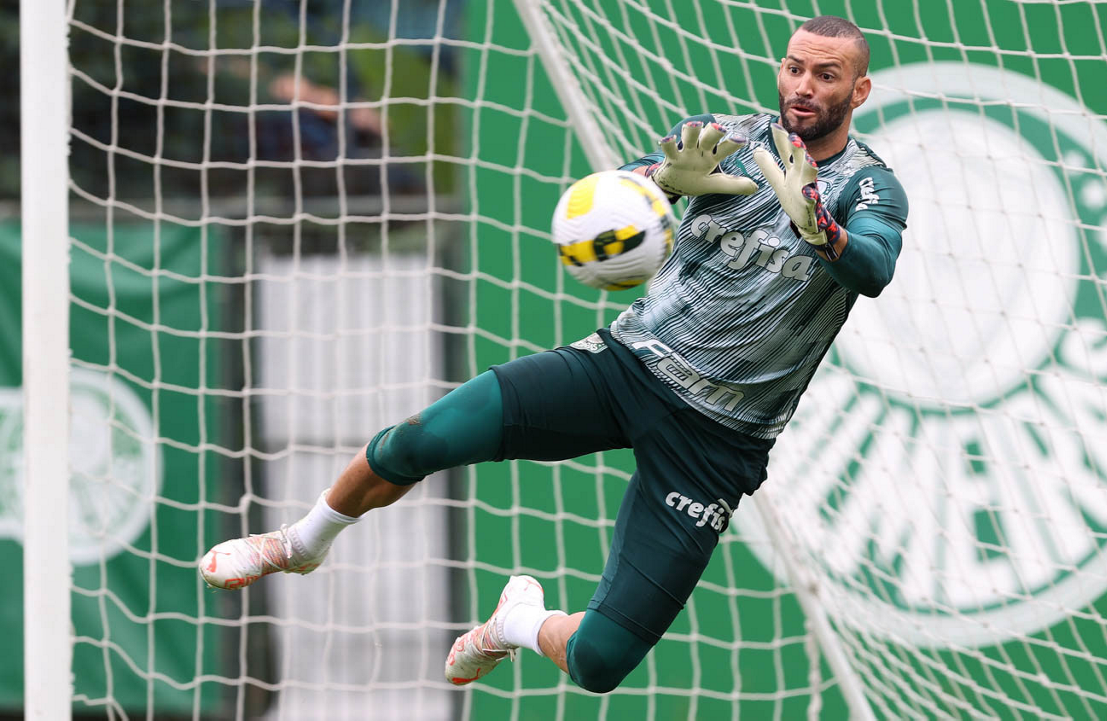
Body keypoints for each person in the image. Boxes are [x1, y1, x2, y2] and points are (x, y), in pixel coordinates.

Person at [199, 14, 908, 694]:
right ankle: (301, 542)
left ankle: (516, 621)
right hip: (624, 367)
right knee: (419, 440)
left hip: (719, 438)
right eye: (794, 68)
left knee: (599, 661)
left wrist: (821, 229)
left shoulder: (867, 185)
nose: (803, 87)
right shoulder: (725, 138)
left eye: (825, 75)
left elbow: (873, 267)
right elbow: (615, 193)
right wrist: (662, 183)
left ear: (859, 91)